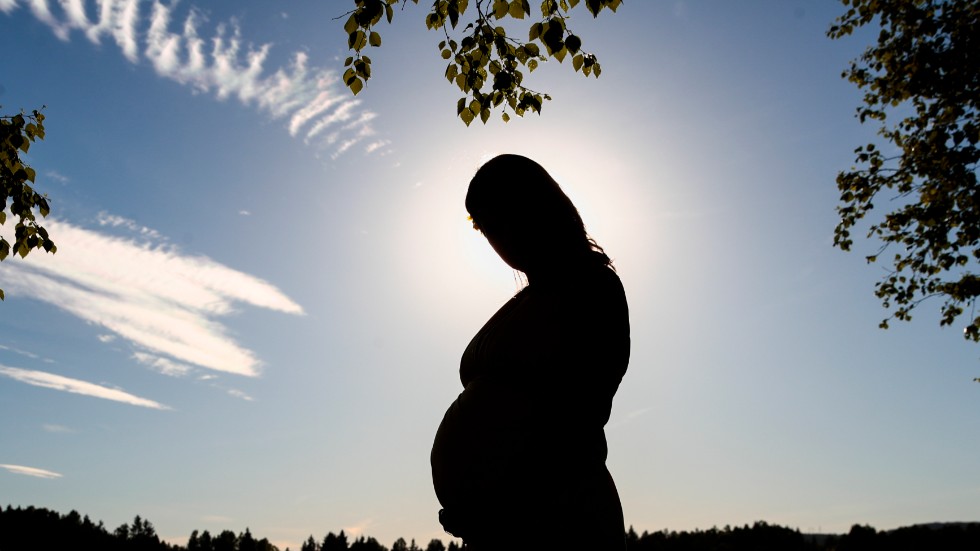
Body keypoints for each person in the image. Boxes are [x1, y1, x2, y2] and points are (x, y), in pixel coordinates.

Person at [431, 154, 630, 550]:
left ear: (537, 206)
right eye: (480, 225)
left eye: (496, 216)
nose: (492, 237)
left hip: (558, 523)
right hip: (500, 525)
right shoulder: (528, 300)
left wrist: (496, 496)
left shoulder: (591, 286)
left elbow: (575, 413)